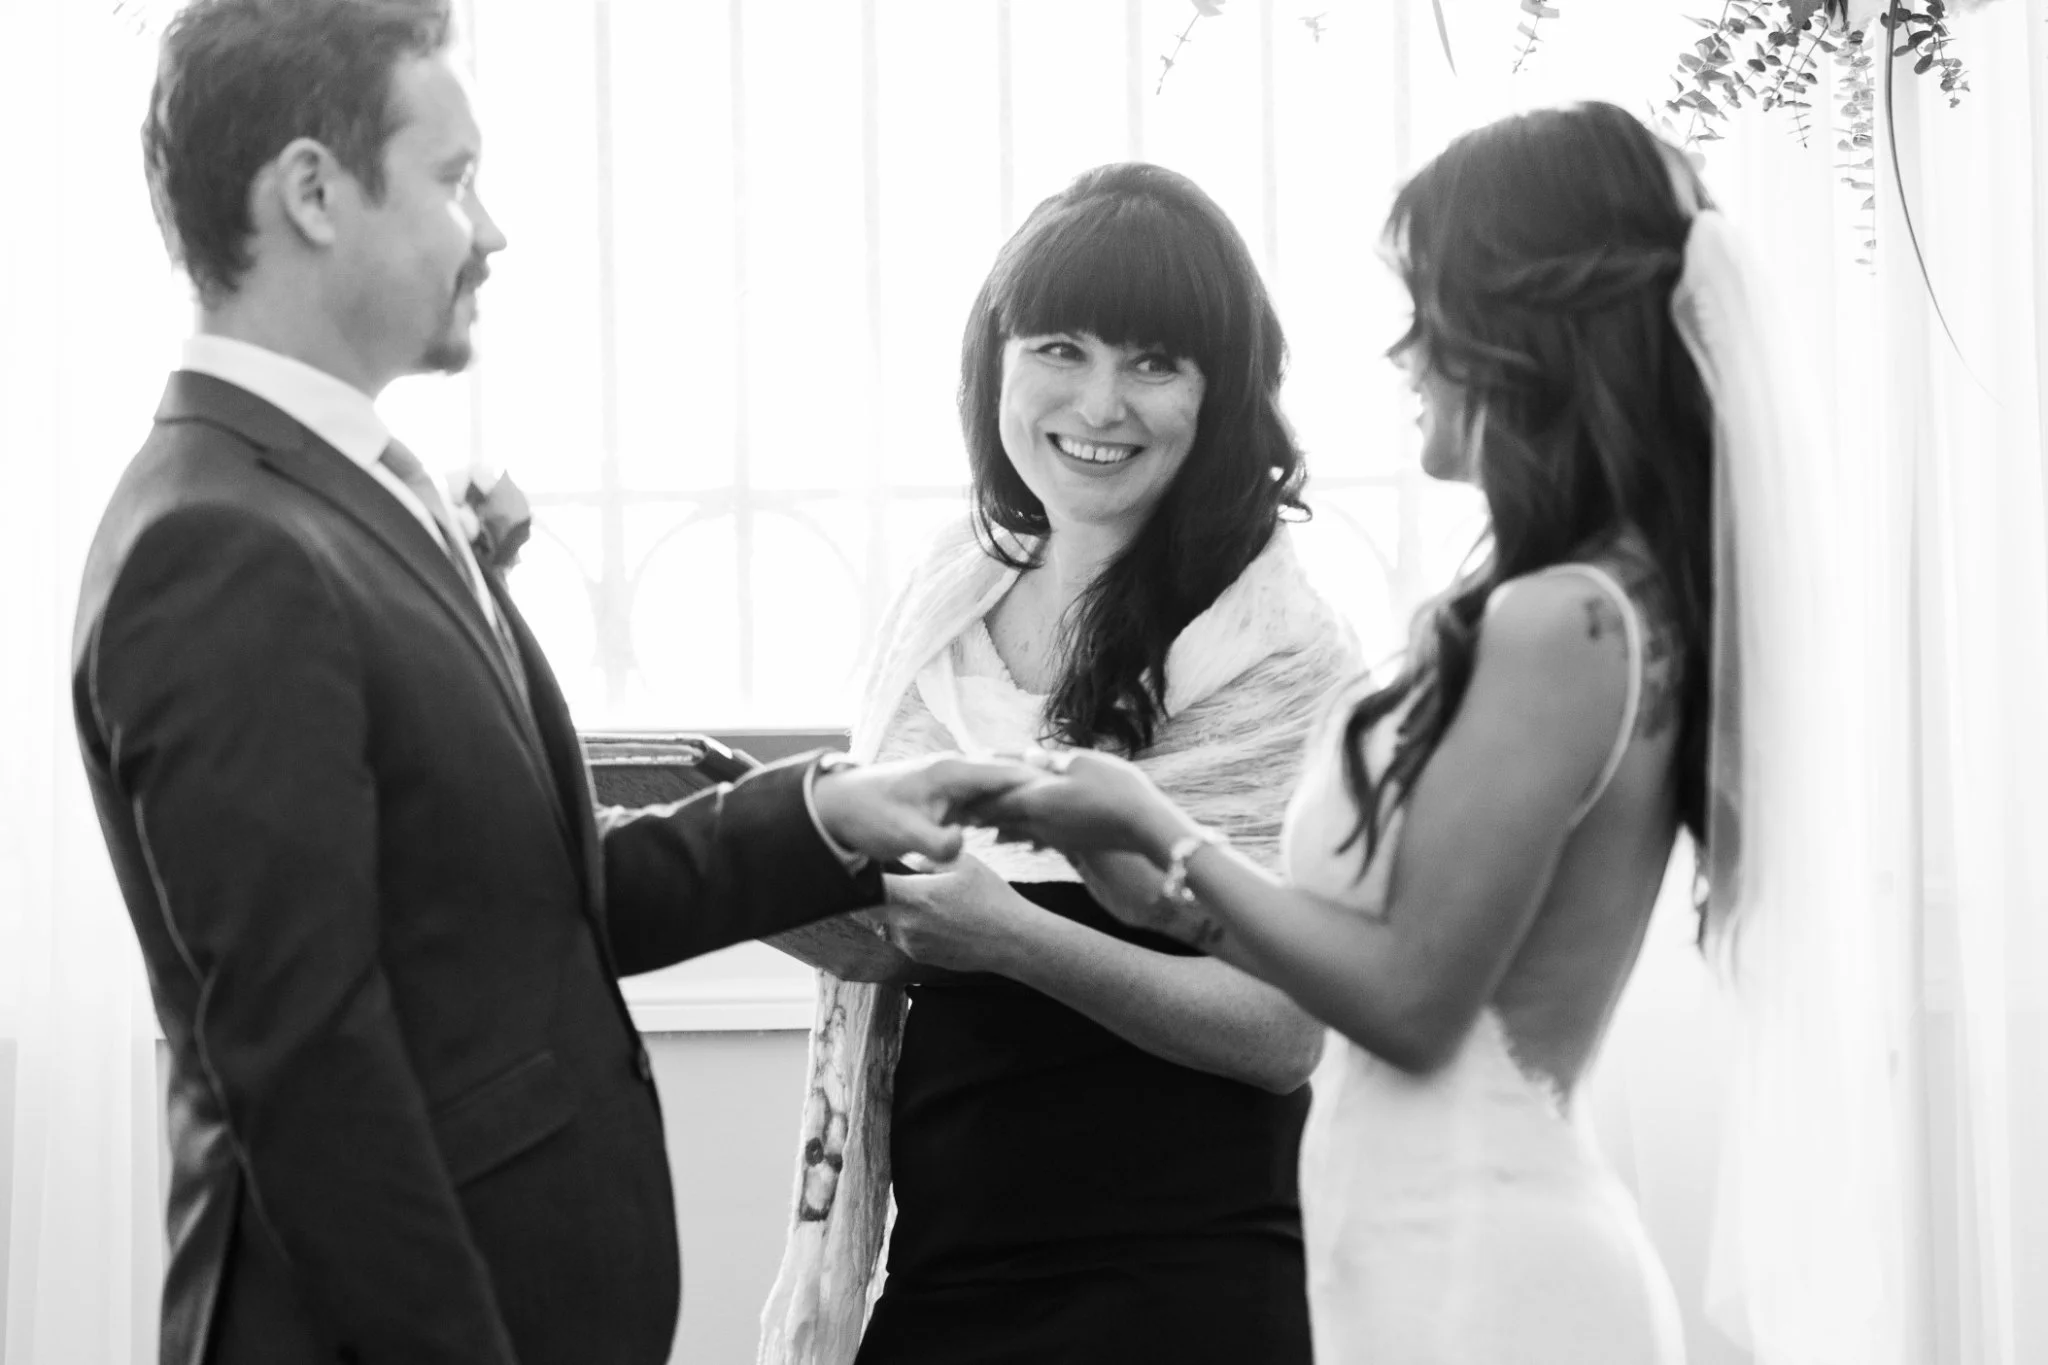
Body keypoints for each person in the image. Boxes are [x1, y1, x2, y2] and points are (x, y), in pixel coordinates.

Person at [72, 5, 1032, 1363]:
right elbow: (309, 1074)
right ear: (312, 192)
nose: (494, 231)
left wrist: (835, 814)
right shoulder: (217, 547)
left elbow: (534, 899)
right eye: (456, 179)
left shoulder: (351, 492)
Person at [974, 103, 1786, 1363]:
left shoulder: (1559, 624)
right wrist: (1158, 899)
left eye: (1430, 309)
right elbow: (1384, 950)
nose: (1405, 355)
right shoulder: (1598, 606)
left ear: (1527, 336)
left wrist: (1158, 826)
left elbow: (1409, 1002)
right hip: (1420, 1250)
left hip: (1484, 1275)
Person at [758, 163, 1358, 1365]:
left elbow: (1281, 1031)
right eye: (1059, 349)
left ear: (1220, 392)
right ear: (997, 363)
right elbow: (911, 930)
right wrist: (757, 871)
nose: (1097, 403)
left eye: (1153, 361)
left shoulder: (1280, 652)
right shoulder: (946, 594)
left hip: (1181, 1275)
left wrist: (1018, 940)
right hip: (944, 1258)